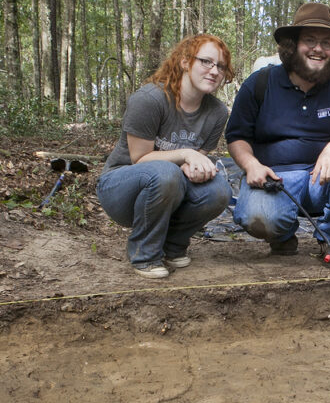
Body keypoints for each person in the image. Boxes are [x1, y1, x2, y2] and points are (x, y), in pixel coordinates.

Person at [225, 3, 330, 270]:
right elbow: (237, 136)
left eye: (326, 42)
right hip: (275, 180)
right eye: (309, 40)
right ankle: (282, 236)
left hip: (325, 179)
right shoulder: (260, 83)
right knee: (259, 218)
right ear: (292, 46)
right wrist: (251, 165)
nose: (318, 49)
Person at [97, 34, 235, 278]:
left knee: (219, 190)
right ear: (185, 62)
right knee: (165, 172)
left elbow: (193, 163)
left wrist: (196, 166)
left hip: (171, 188)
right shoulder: (150, 99)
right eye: (206, 62)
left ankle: (172, 246)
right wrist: (186, 153)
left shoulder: (216, 112)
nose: (214, 71)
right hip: (120, 188)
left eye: (220, 66)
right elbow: (140, 159)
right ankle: (145, 254)